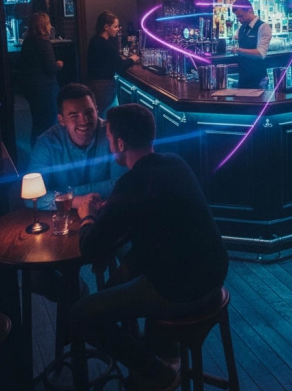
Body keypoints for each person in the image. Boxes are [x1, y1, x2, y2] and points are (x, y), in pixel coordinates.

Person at [70, 104, 229, 391]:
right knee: (120, 280)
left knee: (80, 315)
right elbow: (161, 228)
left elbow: (90, 249)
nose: (109, 145)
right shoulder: (175, 163)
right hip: (215, 275)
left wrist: (87, 216)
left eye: (109, 139)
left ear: (121, 144)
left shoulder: (130, 184)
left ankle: (157, 373)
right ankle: (160, 351)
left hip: (181, 292)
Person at [26, 83, 125, 211]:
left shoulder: (112, 135)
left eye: (89, 112)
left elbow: (121, 184)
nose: (84, 121)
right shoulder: (46, 143)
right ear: (61, 120)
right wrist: (74, 201)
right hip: (62, 216)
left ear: (96, 110)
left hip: (105, 212)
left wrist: (69, 193)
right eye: (74, 116)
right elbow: (32, 197)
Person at [19, 11, 63, 145]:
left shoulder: (28, 41)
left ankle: (36, 149)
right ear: (43, 25)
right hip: (45, 89)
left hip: (32, 89)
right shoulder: (43, 42)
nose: (50, 26)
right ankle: (47, 151)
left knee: (38, 122)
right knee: (49, 123)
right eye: (48, 23)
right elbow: (51, 68)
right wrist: (59, 64)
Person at [88, 11, 139, 117]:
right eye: (115, 26)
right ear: (106, 27)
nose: (118, 29)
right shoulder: (106, 45)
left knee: (105, 114)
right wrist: (132, 59)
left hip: (94, 83)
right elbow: (120, 65)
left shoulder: (95, 40)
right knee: (109, 116)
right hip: (104, 86)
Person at [230, 0, 272, 89]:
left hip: (258, 78)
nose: (239, 19)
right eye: (237, 17)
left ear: (250, 10)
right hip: (243, 77)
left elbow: (261, 54)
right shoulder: (241, 28)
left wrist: (239, 50)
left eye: (241, 16)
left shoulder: (263, 27)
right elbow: (234, 42)